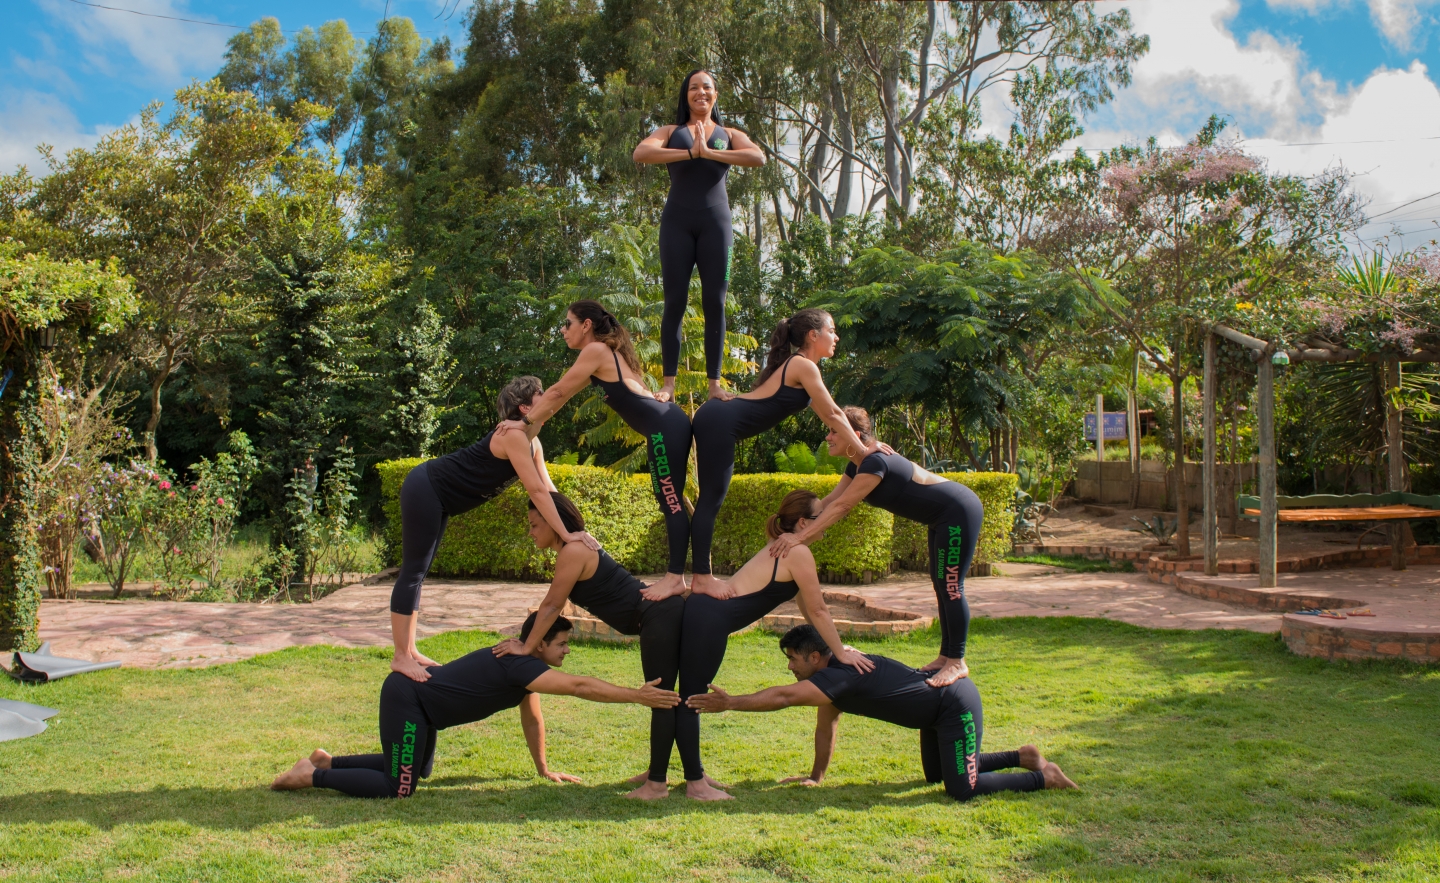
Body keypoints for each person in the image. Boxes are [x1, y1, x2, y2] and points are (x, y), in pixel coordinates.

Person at [270, 612, 680, 798]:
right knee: (400, 787)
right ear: (538, 643)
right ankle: (310, 777)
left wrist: (543, 769)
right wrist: (636, 695)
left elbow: (533, 719)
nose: (568, 650)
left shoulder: (524, 671)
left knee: (420, 769)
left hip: (423, 709)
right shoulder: (520, 666)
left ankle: (329, 762)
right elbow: (578, 687)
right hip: (408, 698)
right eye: (562, 643)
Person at [687, 624, 1077, 802]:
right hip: (934, 711)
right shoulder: (835, 679)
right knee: (937, 774)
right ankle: (1021, 756)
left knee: (961, 789)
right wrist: (816, 777)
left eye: (793, 659)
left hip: (952, 704)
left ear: (816, 657)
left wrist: (731, 702)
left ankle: (1044, 779)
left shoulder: (839, 677)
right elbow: (826, 729)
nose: (790, 667)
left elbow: (784, 698)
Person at [664, 490, 876, 801]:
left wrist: (837, 649)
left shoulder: (790, 550)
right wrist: (842, 654)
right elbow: (819, 610)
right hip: (708, 618)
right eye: (821, 517)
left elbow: (808, 608)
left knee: (689, 696)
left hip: (707, 616)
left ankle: (687, 773)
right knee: (693, 699)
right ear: (803, 523)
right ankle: (694, 784)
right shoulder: (798, 554)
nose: (826, 523)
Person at [390, 376, 599, 683]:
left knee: (418, 574)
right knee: (412, 572)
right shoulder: (512, 438)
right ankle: (400, 656)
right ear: (525, 406)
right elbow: (536, 493)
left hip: (440, 498)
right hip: (426, 487)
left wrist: (580, 531)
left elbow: (549, 491)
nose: (549, 397)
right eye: (542, 393)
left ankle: (410, 650)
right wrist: (566, 536)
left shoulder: (533, 441)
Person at [678, 309, 883, 600]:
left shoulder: (802, 367)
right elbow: (836, 413)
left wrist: (862, 449)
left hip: (718, 419)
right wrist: (865, 453)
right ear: (814, 335)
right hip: (719, 421)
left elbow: (831, 417)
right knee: (711, 501)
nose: (836, 337)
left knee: (711, 500)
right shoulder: (803, 366)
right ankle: (701, 578)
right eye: (832, 331)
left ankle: (699, 577)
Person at [491, 491, 684, 800]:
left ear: (554, 523)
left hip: (657, 615)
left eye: (535, 525)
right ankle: (666, 772)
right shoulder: (577, 545)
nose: (530, 532)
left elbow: (553, 605)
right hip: (657, 617)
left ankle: (657, 784)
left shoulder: (573, 550)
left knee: (659, 696)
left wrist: (527, 647)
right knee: (669, 696)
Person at [494, 301, 692, 597]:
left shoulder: (596, 351)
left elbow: (557, 390)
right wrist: (528, 428)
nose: (563, 330)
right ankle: (683, 576)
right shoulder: (601, 356)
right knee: (668, 501)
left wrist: (522, 423)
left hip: (664, 428)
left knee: (670, 502)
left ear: (586, 325)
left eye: (568, 323)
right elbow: (559, 398)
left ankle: (677, 577)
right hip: (665, 427)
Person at [770, 406, 978, 687]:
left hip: (957, 512)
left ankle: (957, 661)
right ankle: (946, 656)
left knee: (951, 586)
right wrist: (792, 527)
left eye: (833, 431)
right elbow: (831, 501)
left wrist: (798, 539)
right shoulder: (857, 463)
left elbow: (843, 506)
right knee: (941, 584)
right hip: (941, 518)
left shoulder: (874, 462)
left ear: (853, 434)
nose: (828, 437)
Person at [632, 69, 764, 403]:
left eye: (707, 87)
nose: (700, 92)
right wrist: (690, 153)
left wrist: (710, 153)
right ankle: (668, 385)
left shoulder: (729, 134)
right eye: (693, 88)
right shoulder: (670, 131)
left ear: (715, 95)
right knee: (674, 301)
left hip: (716, 226)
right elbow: (641, 153)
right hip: (676, 223)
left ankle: (715, 384)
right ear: (685, 96)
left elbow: (757, 157)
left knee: (715, 303)